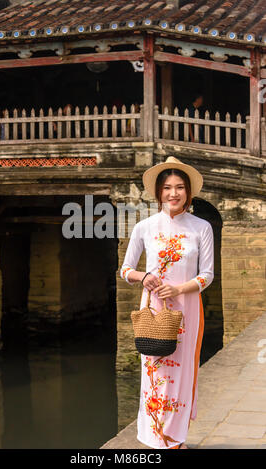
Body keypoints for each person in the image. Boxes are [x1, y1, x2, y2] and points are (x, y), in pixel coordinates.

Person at [120, 156, 214, 450]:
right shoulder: (144, 227)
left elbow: (207, 275)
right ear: (158, 192)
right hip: (154, 310)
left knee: (182, 373)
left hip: (187, 311)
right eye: (167, 188)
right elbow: (125, 270)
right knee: (155, 373)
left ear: (189, 192)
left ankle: (175, 439)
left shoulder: (201, 227)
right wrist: (144, 275)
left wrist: (178, 288)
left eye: (180, 187)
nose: (174, 194)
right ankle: (155, 437)